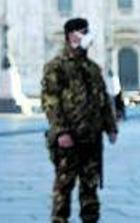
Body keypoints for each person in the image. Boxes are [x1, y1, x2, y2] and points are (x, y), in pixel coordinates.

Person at [42, 18, 118, 223]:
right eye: (83, 32)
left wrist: (111, 127)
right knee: (64, 187)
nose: (87, 36)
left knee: (90, 188)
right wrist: (61, 132)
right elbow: (51, 101)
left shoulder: (93, 68)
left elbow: (103, 99)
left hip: (91, 139)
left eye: (88, 31)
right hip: (69, 138)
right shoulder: (56, 66)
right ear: (70, 36)